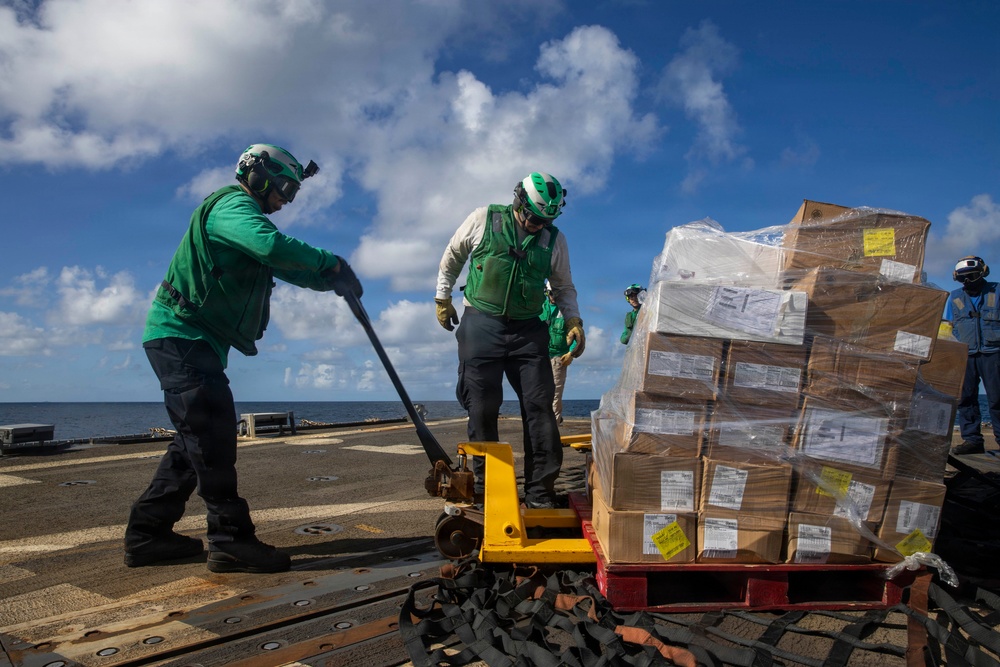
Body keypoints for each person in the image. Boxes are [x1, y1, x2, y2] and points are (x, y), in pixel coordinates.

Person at [125, 144, 363, 573]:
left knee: (191, 445)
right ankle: (230, 540)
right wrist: (331, 260)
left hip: (191, 341)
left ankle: (147, 535)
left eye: (293, 192)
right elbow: (271, 247)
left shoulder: (245, 220)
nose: (287, 199)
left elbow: (286, 266)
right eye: (285, 187)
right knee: (213, 437)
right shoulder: (232, 207)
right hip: (181, 337)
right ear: (257, 174)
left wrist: (333, 280)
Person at [435, 172, 585, 509]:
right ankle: (489, 494)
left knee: (540, 409)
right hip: (480, 324)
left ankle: (539, 494)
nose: (536, 225)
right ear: (519, 201)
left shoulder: (554, 240)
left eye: (544, 220)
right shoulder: (482, 219)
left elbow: (563, 286)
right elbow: (452, 257)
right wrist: (442, 298)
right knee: (482, 408)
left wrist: (573, 318)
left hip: (528, 330)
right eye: (532, 217)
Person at [944, 255, 1000, 455]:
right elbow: (949, 327)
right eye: (962, 278)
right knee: (966, 398)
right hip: (966, 353)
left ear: (983, 273)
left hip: (993, 353)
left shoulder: (997, 291)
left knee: (997, 399)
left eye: (972, 276)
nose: (967, 281)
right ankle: (972, 440)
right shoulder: (955, 297)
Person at [540, 281, 575, 425]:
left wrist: (571, 353)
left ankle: (553, 425)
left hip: (559, 357)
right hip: (541, 356)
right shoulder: (540, 308)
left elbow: (574, 334)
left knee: (555, 392)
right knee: (540, 391)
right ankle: (543, 421)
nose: (554, 296)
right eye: (551, 293)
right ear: (547, 293)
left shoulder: (567, 311)